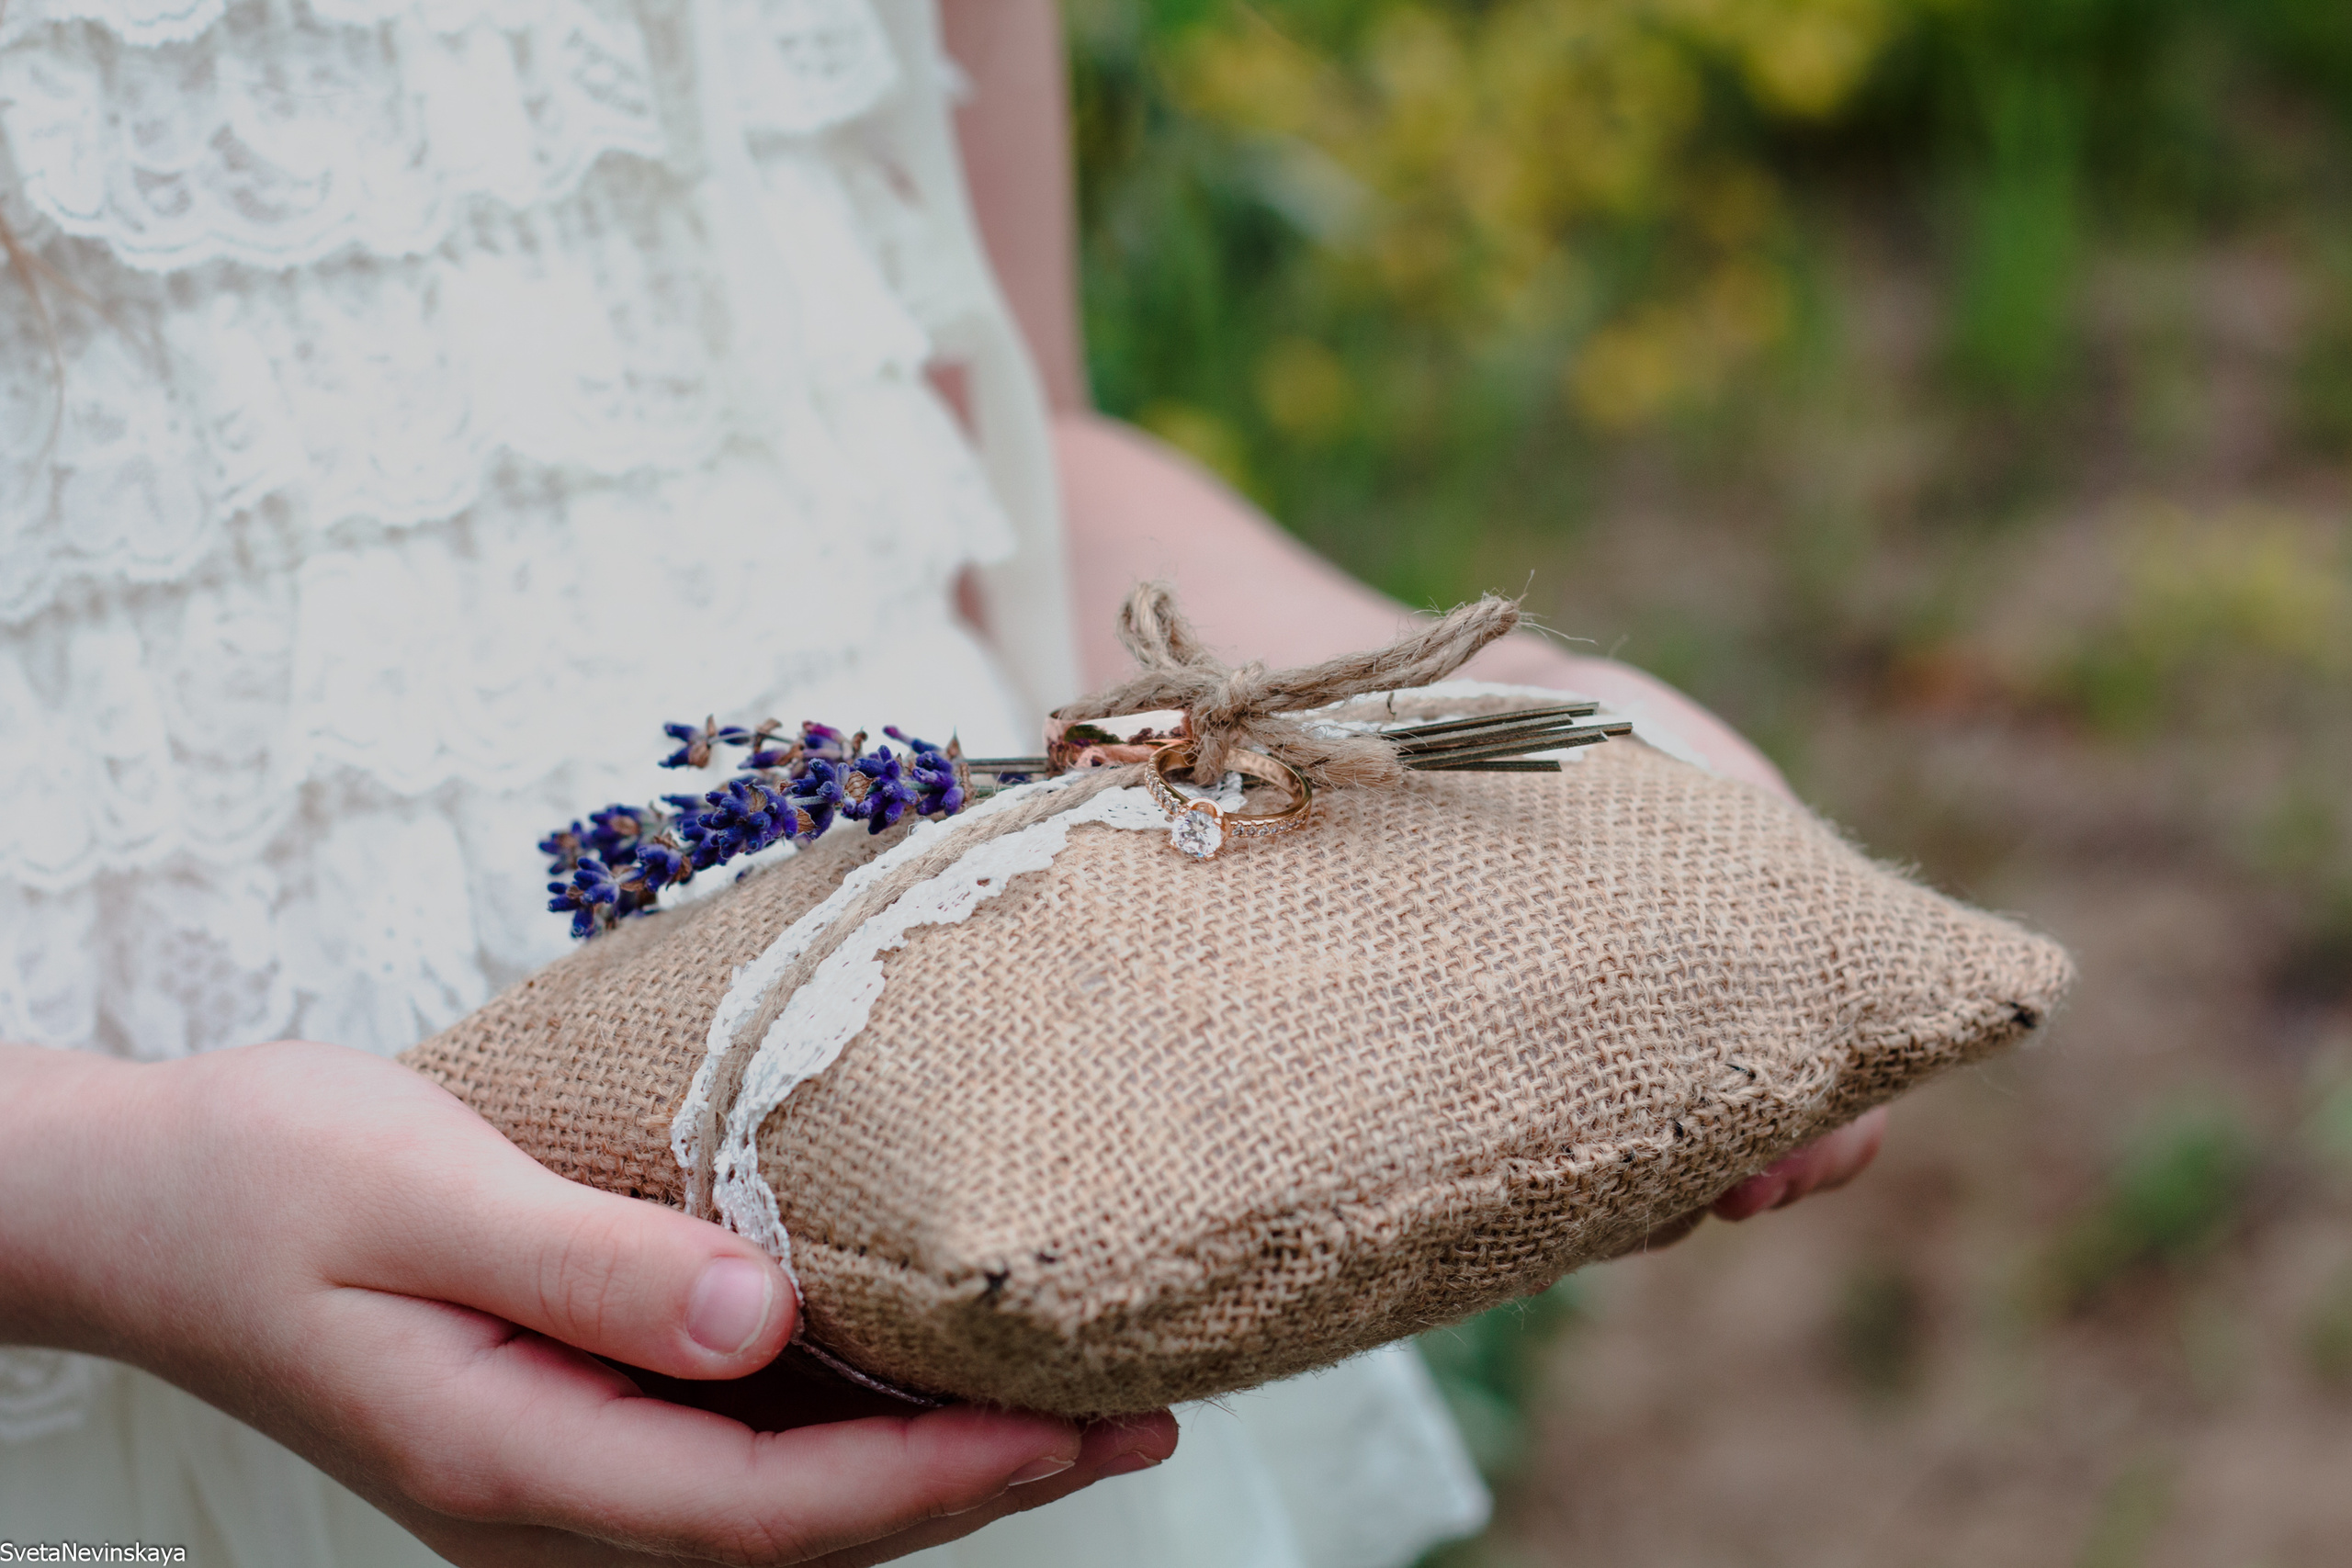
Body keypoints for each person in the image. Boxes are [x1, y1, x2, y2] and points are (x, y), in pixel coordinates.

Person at [0, 0, 1885, 1561]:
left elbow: (1011, 455)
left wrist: (1520, 722)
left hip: (976, 1195)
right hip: (139, 1383)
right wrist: (119, 1209)